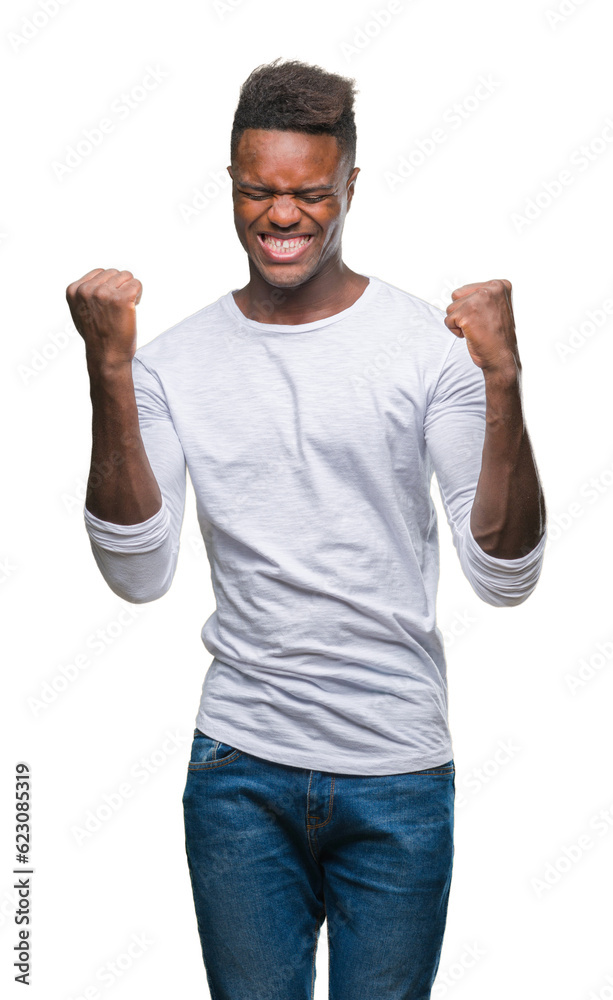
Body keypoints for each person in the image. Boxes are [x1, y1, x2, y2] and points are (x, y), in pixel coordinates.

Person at [66, 57, 547, 1000]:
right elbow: (137, 573)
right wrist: (108, 375)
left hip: (397, 767)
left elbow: (507, 574)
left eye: (309, 194)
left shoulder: (429, 348)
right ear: (234, 185)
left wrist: (502, 382)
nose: (280, 215)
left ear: (350, 188)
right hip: (240, 766)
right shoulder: (170, 362)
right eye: (258, 190)